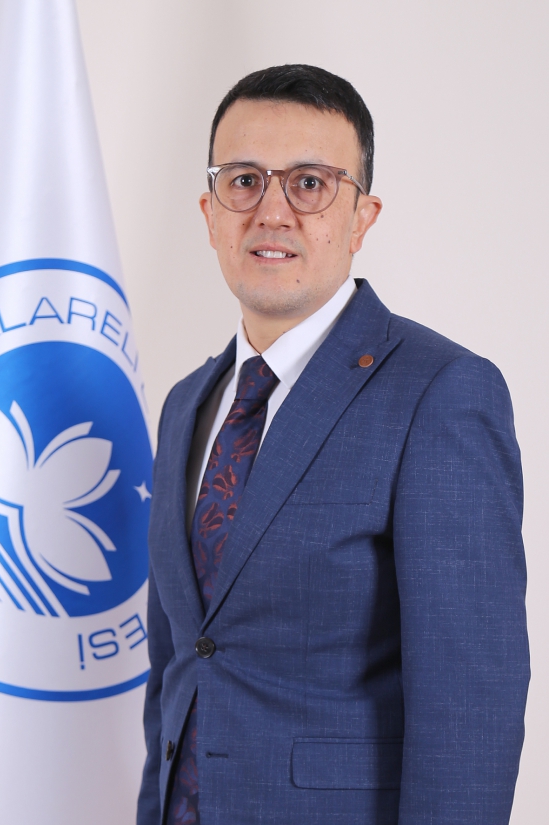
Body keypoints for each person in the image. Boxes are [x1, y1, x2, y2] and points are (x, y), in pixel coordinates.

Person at [136, 65, 529, 825]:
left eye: (309, 184)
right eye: (243, 181)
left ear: (361, 217)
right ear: (210, 213)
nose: (271, 211)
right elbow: (177, 671)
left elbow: (469, 707)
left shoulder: (440, 393)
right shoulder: (187, 405)